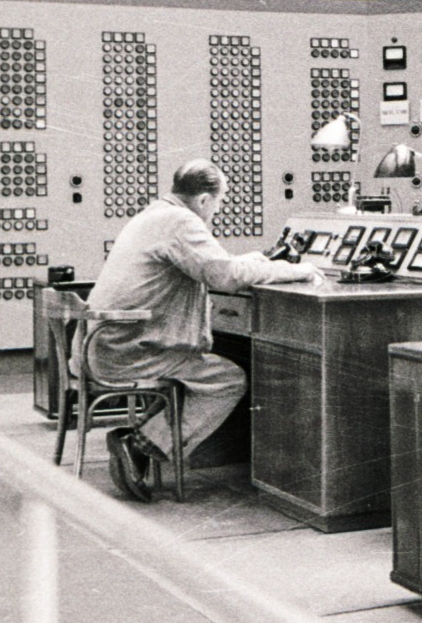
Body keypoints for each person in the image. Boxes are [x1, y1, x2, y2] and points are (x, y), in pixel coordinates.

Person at [85, 159, 324, 501]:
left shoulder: (154, 215)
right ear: (203, 200)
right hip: (130, 349)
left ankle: (142, 439)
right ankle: (137, 445)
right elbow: (222, 276)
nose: (217, 210)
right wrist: (295, 270)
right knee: (227, 380)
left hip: (106, 343)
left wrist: (258, 262)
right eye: (219, 202)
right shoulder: (182, 221)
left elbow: (212, 266)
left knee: (204, 369)